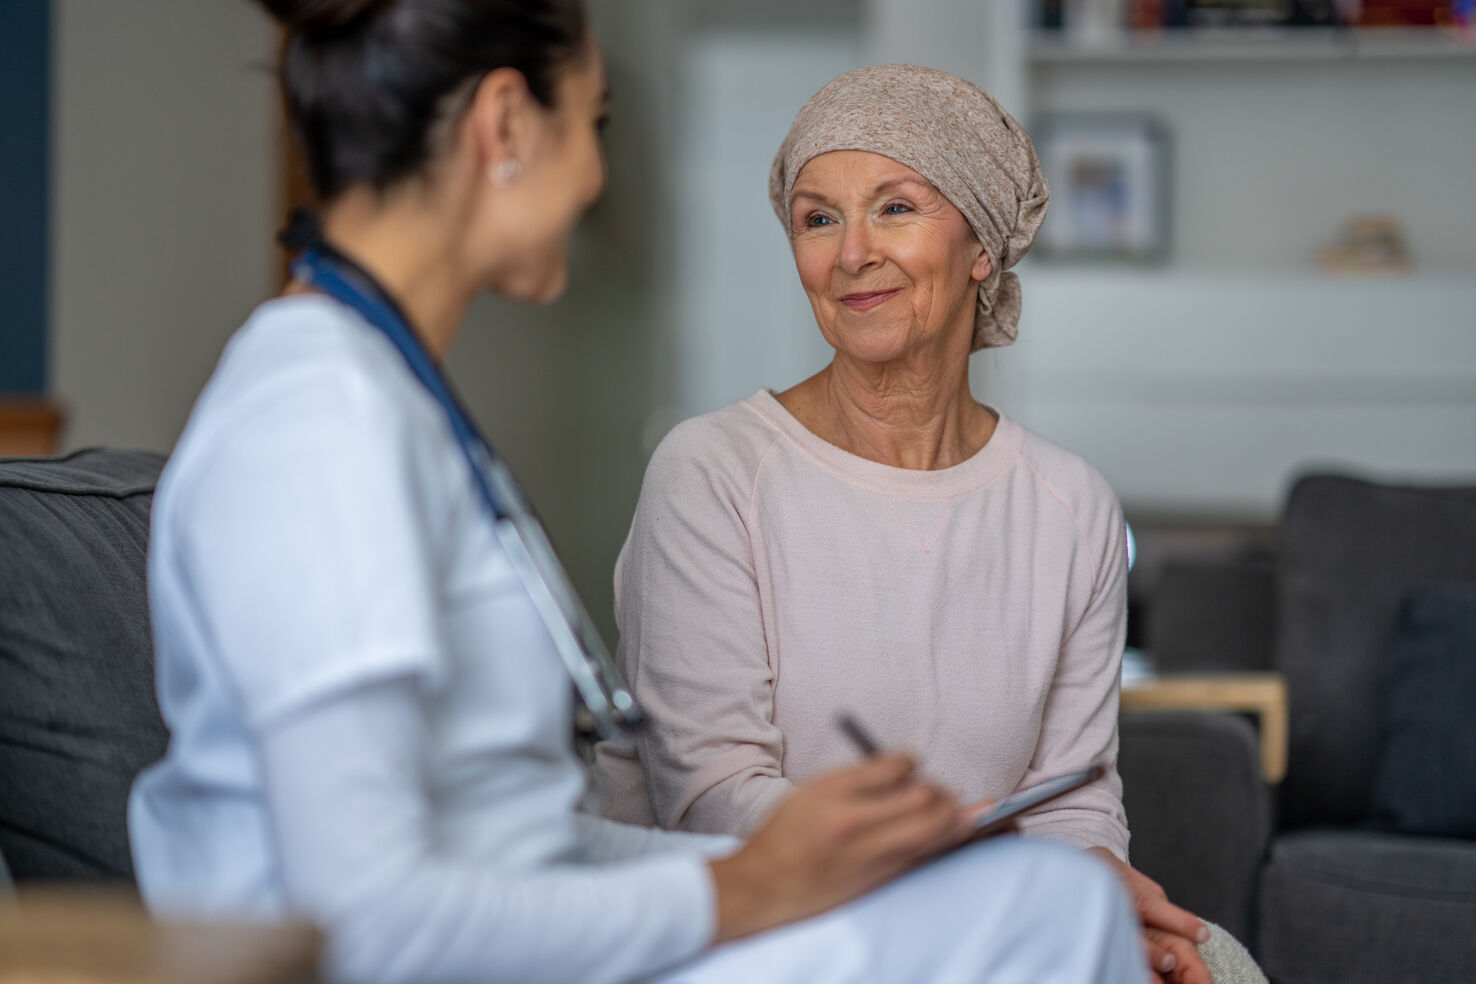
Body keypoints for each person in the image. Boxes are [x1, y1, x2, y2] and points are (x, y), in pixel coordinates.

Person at [127, 5, 1149, 984]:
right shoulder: (321, 423)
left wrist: (814, 868)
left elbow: (510, 836)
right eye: (594, 125)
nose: (597, 179)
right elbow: (368, 922)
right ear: (505, 126)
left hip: (540, 922)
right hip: (458, 961)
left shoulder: (385, 400)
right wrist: (746, 885)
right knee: (1047, 919)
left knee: (1057, 902)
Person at [595, 65, 1240, 984]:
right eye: (818, 218)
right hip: (744, 940)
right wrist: (982, 876)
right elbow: (710, 803)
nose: (851, 252)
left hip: (965, 930)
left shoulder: (1072, 506)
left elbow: (1075, 803)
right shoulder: (712, 473)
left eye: (895, 208)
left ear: (981, 245)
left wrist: (1096, 886)